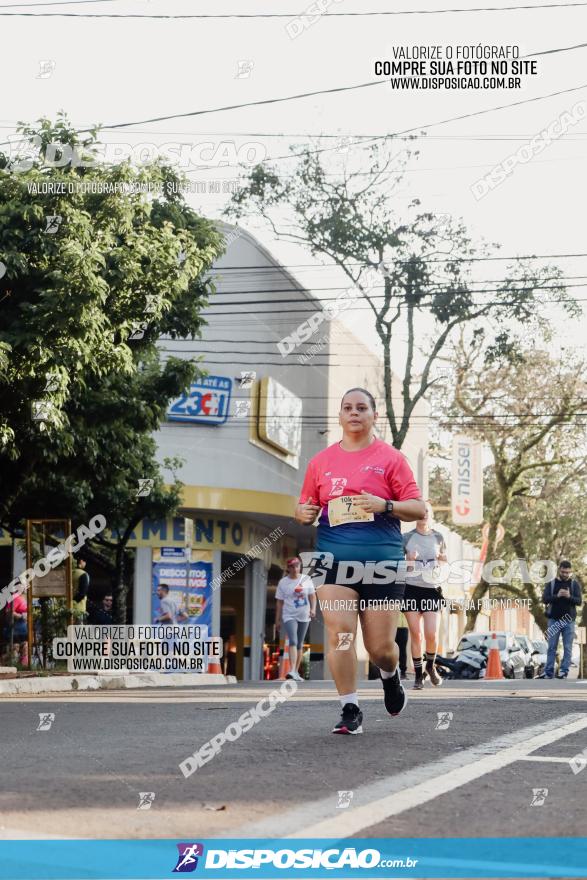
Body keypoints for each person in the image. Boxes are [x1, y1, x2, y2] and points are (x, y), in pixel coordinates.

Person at [295, 387, 425, 734]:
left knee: (380, 648)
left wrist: (384, 505)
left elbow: (418, 508)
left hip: (382, 562)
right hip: (329, 559)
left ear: (373, 416)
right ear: (340, 416)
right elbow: (304, 506)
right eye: (347, 407)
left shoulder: (391, 458)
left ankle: (390, 674)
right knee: (340, 633)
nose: (354, 413)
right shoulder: (320, 462)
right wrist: (303, 512)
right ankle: (349, 708)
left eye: (362, 408)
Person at [402, 502, 447, 690]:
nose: (424, 514)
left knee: (431, 634)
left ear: (431, 514)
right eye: (421, 512)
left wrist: (443, 560)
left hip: (431, 589)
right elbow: (398, 566)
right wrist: (408, 559)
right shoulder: (406, 538)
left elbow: (444, 564)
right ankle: (419, 675)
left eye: (427, 511)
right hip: (411, 588)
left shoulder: (438, 537)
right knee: (416, 634)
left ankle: (430, 665)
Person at [275, 556, 317, 682]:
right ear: (288, 568)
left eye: (297, 566)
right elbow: (279, 602)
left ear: (300, 567)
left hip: (304, 614)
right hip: (289, 615)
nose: (295, 569)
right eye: (292, 567)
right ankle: (292, 669)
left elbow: (312, 596)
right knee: (293, 640)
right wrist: (277, 620)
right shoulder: (283, 582)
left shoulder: (306, 579)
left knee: (300, 643)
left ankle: (295, 672)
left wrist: (313, 609)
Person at [542, 560, 582, 679]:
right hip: (554, 619)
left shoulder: (574, 585)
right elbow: (545, 599)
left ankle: (564, 671)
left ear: (570, 572)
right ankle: (549, 672)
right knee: (552, 646)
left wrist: (569, 597)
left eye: (568, 573)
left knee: (568, 647)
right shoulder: (552, 584)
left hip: (568, 621)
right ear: (559, 570)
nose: (565, 575)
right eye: (563, 572)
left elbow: (579, 601)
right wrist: (557, 596)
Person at [2, 593, 28, 665]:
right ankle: (3, 663)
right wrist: (21, 616)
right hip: (15, 630)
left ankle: (23, 667)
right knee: (15, 649)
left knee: (25, 648)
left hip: (22, 630)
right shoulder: (15, 597)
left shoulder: (24, 597)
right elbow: (8, 611)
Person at [72, 557, 90, 621]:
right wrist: (73, 602)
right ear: (81, 561)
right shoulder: (83, 574)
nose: (85, 564)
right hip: (79, 608)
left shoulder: (66, 572)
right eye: (85, 562)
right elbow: (82, 593)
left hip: (63, 607)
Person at [395, 610, 409, 680]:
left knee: (403, 651)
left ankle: (403, 672)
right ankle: (390, 672)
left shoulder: (407, 599)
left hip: (404, 627)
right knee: (390, 649)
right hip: (392, 626)